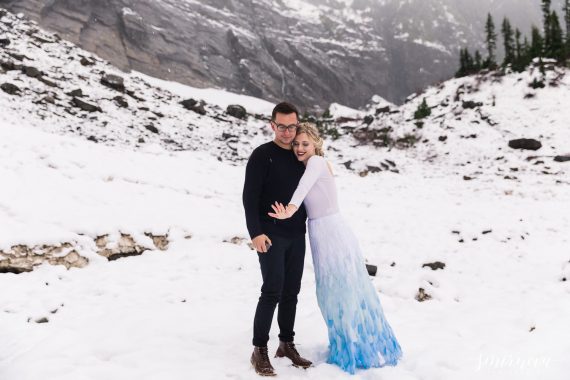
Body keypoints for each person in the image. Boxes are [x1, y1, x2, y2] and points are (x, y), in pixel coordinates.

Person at [268, 123, 402, 374]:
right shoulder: (306, 164)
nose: (299, 148)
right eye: (296, 144)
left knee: (342, 292)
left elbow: (303, 188)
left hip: (331, 232)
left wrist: (291, 208)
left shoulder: (316, 162)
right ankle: (345, 345)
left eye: (305, 144)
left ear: (316, 144)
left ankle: (355, 350)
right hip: (320, 233)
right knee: (331, 294)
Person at [242, 102, 313, 377]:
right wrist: (255, 233)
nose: (286, 132)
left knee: (291, 292)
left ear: (297, 125)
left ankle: (286, 343)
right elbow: (249, 197)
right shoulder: (262, 155)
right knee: (272, 290)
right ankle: (259, 349)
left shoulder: (301, 156)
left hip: (297, 234)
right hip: (270, 235)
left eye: (291, 126)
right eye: (281, 126)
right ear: (272, 125)